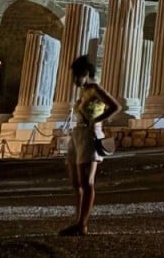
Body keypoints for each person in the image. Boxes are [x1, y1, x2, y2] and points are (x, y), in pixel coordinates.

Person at [59, 55, 120, 236]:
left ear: (85, 73)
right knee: (75, 182)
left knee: (87, 182)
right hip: (77, 135)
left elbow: (115, 107)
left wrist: (96, 120)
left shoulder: (95, 88)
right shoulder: (83, 92)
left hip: (89, 136)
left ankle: (82, 224)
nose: (74, 80)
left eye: (76, 76)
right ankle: (78, 219)